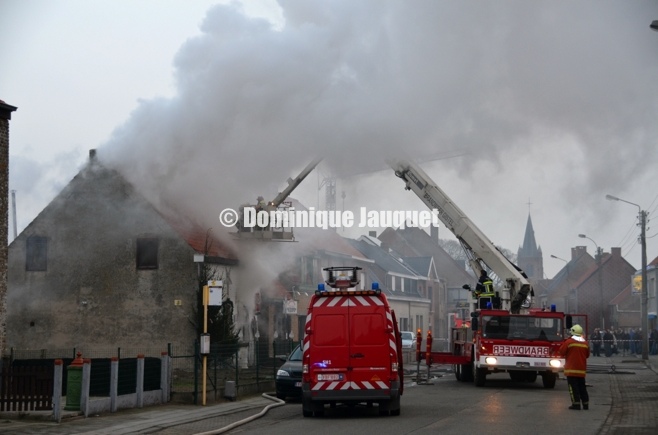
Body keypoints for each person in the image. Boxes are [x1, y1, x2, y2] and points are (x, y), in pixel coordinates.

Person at [557, 324, 590, 410]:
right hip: (581, 370)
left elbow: (561, 352)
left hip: (571, 370)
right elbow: (587, 355)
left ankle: (576, 404)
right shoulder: (585, 343)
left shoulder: (569, 342)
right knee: (582, 387)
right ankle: (585, 404)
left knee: (573, 388)